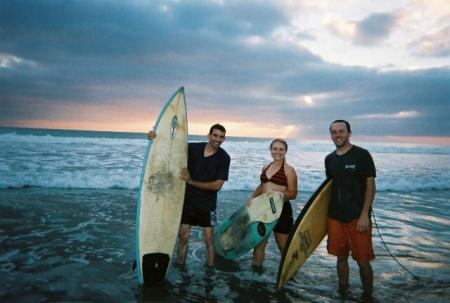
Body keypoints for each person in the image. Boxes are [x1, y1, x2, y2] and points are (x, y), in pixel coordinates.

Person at [148, 123, 230, 267]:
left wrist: (191, 181)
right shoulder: (194, 148)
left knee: (209, 240)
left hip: (207, 204)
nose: (218, 139)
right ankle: (181, 267)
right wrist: (155, 138)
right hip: (188, 201)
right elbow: (173, 147)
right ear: (209, 135)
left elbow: (217, 186)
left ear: (224, 139)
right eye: (215, 135)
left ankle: (210, 273)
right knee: (183, 237)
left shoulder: (224, 158)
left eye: (221, 137)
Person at [325, 120, 376, 302]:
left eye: (341, 131)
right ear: (330, 135)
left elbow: (370, 186)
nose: (337, 135)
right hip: (335, 217)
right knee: (340, 258)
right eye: (334, 132)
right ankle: (343, 292)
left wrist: (364, 215)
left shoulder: (362, 155)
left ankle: (368, 296)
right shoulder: (329, 159)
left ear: (349, 133)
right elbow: (329, 190)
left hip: (357, 218)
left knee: (363, 260)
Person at [247, 138, 298, 269]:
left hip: (281, 211)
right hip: (264, 210)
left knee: (283, 247)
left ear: (286, 151)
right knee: (259, 245)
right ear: (271, 150)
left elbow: (293, 193)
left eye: (281, 149)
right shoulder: (266, 167)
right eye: (275, 149)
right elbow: (262, 185)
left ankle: (289, 277)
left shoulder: (289, 170)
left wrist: (276, 196)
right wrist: (252, 197)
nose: (278, 152)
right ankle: (256, 274)